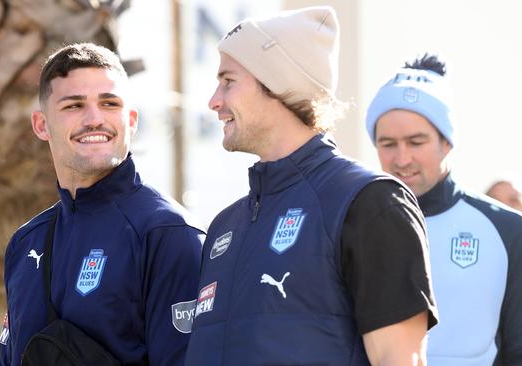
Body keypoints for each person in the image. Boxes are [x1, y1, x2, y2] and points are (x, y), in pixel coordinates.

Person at [185, 7, 438, 366]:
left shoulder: (370, 202)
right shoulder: (226, 225)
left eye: (229, 81)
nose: (214, 100)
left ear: (278, 85)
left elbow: (400, 359)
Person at [0, 43, 204, 365]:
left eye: (109, 103)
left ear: (131, 120)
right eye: (74, 105)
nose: (94, 119)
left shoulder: (167, 233)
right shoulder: (26, 243)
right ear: (41, 125)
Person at [365, 53, 522, 365]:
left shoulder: (511, 231)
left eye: (416, 142)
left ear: (448, 142)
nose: (401, 159)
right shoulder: (353, 227)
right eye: (388, 144)